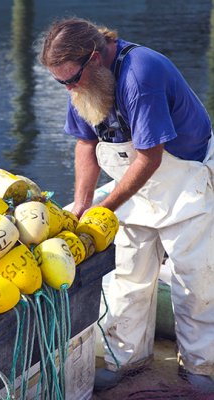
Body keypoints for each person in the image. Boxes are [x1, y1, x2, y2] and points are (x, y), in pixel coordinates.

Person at [39, 17, 214, 394]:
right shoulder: (84, 85)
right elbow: (86, 144)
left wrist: (107, 207)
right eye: (60, 82)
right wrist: (83, 205)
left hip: (184, 178)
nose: (68, 88)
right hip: (134, 184)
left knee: (193, 278)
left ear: (95, 58)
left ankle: (199, 367)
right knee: (126, 275)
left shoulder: (140, 76)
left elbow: (150, 157)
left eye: (72, 79)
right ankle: (127, 360)